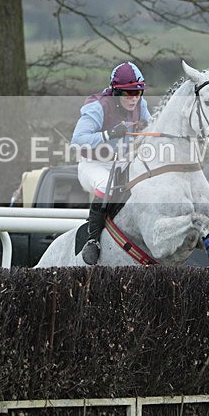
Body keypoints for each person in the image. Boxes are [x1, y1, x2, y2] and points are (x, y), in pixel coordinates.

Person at [71, 61, 151, 265]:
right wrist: (109, 134)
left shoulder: (141, 105)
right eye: (128, 93)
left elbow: (150, 130)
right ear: (115, 92)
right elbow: (77, 140)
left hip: (122, 163)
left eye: (138, 92)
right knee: (106, 185)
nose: (134, 99)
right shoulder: (97, 107)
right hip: (93, 164)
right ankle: (93, 240)